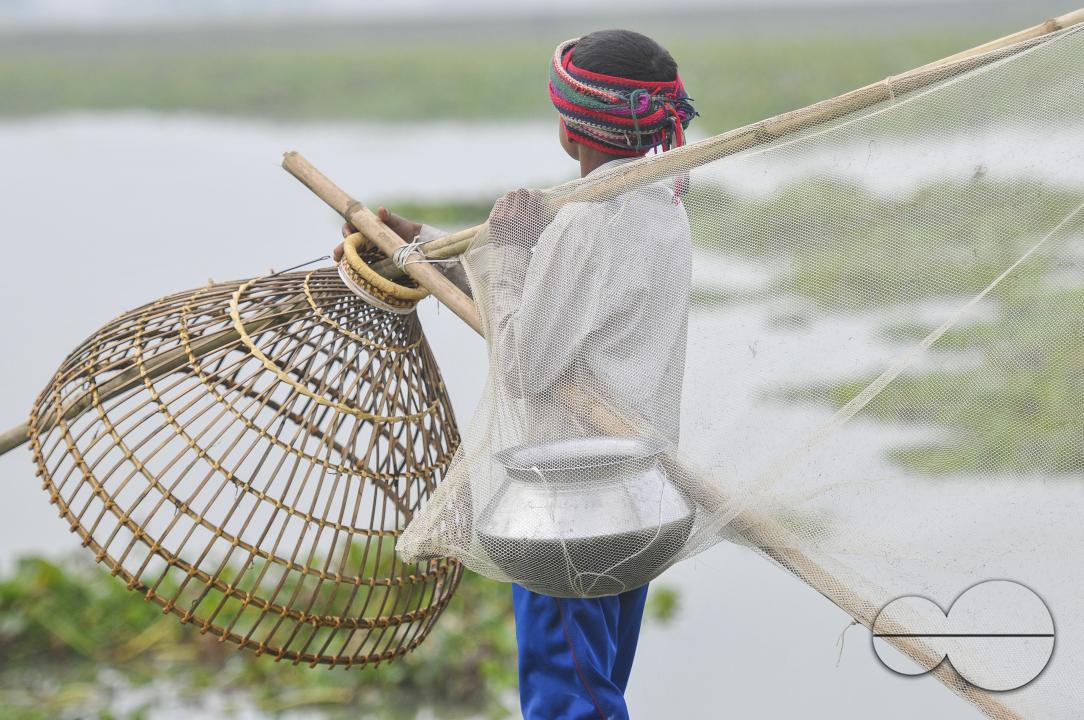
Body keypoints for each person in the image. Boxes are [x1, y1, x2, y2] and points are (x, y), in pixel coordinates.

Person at [336, 28, 696, 720]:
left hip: (570, 510)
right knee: (598, 686)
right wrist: (428, 250)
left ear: (570, 131)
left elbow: (527, 364)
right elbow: (555, 307)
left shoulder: (581, 225)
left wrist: (512, 253)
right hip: (639, 498)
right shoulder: (662, 204)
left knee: (571, 702)